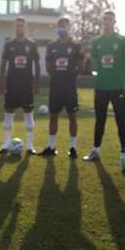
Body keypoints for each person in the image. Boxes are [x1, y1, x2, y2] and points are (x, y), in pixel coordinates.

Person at [83, 10, 125, 162]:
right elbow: (94, 58)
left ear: (114, 22)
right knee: (100, 120)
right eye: (104, 19)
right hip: (101, 87)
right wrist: (99, 70)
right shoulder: (96, 41)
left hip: (117, 86)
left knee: (120, 120)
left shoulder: (123, 41)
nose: (107, 22)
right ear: (102, 21)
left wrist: (122, 71)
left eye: (110, 19)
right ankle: (95, 151)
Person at [39, 16, 84, 158]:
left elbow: (81, 64)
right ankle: (51, 147)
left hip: (70, 87)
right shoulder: (51, 46)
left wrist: (72, 75)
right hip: (55, 87)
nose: (62, 29)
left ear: (69, 27)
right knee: (53, 116)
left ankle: (73, 148)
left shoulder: (76, 46)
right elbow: (48, 65)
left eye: (64, 26)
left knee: (72, 117)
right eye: (60, 26)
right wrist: (56, 75)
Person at [0, 17, 40, 154]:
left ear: (25, 27)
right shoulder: (9, 44)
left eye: (21, 26)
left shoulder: (32, 44)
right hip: (11, 85)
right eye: (17, 26)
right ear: (14, 27)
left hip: (27, 85)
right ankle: (5, 145)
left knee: (28, 115)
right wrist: (2, 83)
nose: (19, 28)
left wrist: (36, 83)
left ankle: (30, 146)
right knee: (8, 115)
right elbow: (3, 65)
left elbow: (37, 65)